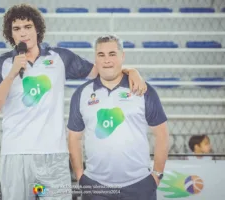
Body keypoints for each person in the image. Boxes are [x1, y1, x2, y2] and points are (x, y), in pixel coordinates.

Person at [0, 4, 147, 200]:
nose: (23, 33)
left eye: (27, 26)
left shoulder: (59, 57)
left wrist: (131, 71)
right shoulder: (2, 64)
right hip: (15, 154)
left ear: (37, 29)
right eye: (16, 29)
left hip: (54, 156)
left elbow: (101, 70)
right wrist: (11, 75)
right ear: (10, 34)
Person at [68, 35, 169, 200]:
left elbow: (162, 134)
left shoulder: (142, 89)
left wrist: (156, 175)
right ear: (95, 58)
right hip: (95, 186)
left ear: (122, 56)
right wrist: (80, 176)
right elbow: (74, 138)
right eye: (101, 55)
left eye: (112, 54)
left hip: (140, 185)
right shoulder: (81, 94)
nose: (107, 60)